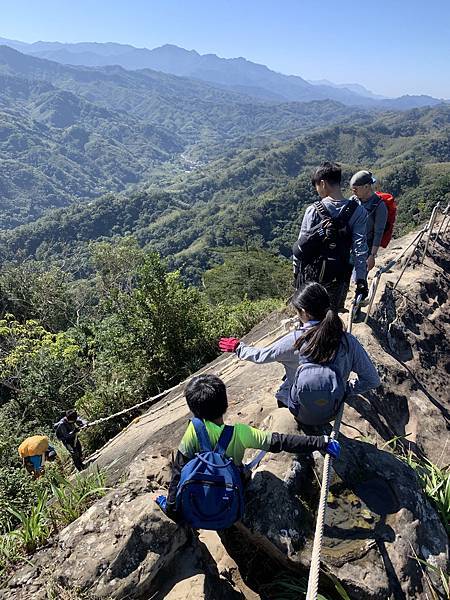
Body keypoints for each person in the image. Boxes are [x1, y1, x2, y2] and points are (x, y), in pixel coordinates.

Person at [155, 374, 340, 522]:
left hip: (199, 492)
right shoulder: (241, 433)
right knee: (242, 471)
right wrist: (321, 442)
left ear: (194, 410)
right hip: (232, 491)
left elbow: (178, 472)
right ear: (225, 404)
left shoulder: (193, 432)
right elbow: (281, 442)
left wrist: (172, 508)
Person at [219, 282, 380, 428]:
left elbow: (261, 356)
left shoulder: (295, 340)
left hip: (299, 410)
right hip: (332, 409)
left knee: (284, 389)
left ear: (303, 312)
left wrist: (238, 347)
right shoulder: (347, 340)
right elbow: (372, 380)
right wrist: (344, 388)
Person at [292, 162, 369, 311]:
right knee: (332, 315)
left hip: (312, 277)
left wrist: (296, 274)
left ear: (323, 183)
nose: (317, 189)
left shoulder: (313, 210)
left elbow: (301, 246)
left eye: (316, 185)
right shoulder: (358, 212)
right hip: (340, 275)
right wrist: (361, 280)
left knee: (310, 317)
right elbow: (360, 249)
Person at [350, 170, 388, 273]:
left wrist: (372, 255)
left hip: (365, 250)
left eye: (356, 189)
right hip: (349, 247)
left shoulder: (379, 206)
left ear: (366, 187)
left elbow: (378, 232)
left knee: (358, 280)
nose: (353, 192)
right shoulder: (354, 200)